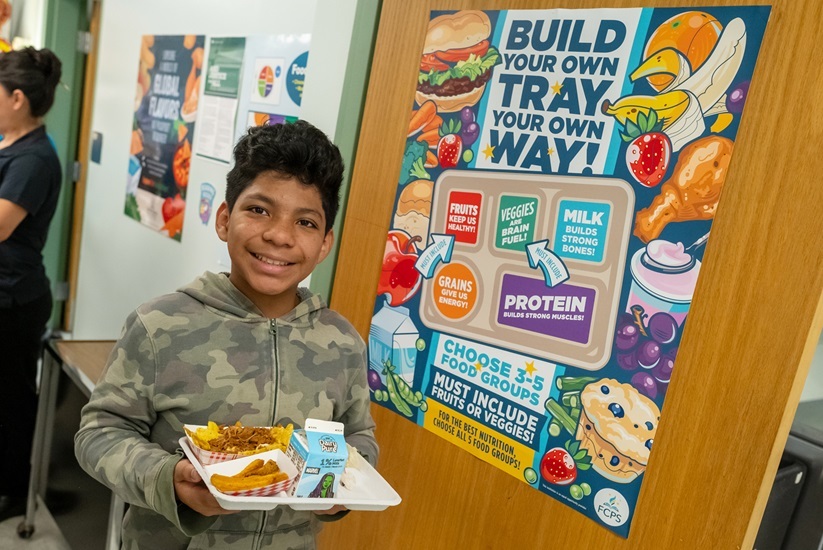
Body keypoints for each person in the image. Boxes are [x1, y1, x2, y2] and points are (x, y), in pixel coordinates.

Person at [75, 121, 378, 549]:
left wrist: (344, 485)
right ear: (223, 219)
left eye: (306, 222)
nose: (279, 235)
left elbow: (359, 438)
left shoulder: (343, 343)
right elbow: (99, 433)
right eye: (258, 210)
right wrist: (167, 478)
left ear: (325, 243)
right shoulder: (159, 325)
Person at [0, 46, 62, 522]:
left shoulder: (35, 159)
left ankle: (14, 491)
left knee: (11, 399)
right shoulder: (9, 143)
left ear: (17, 98)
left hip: (13, 299)